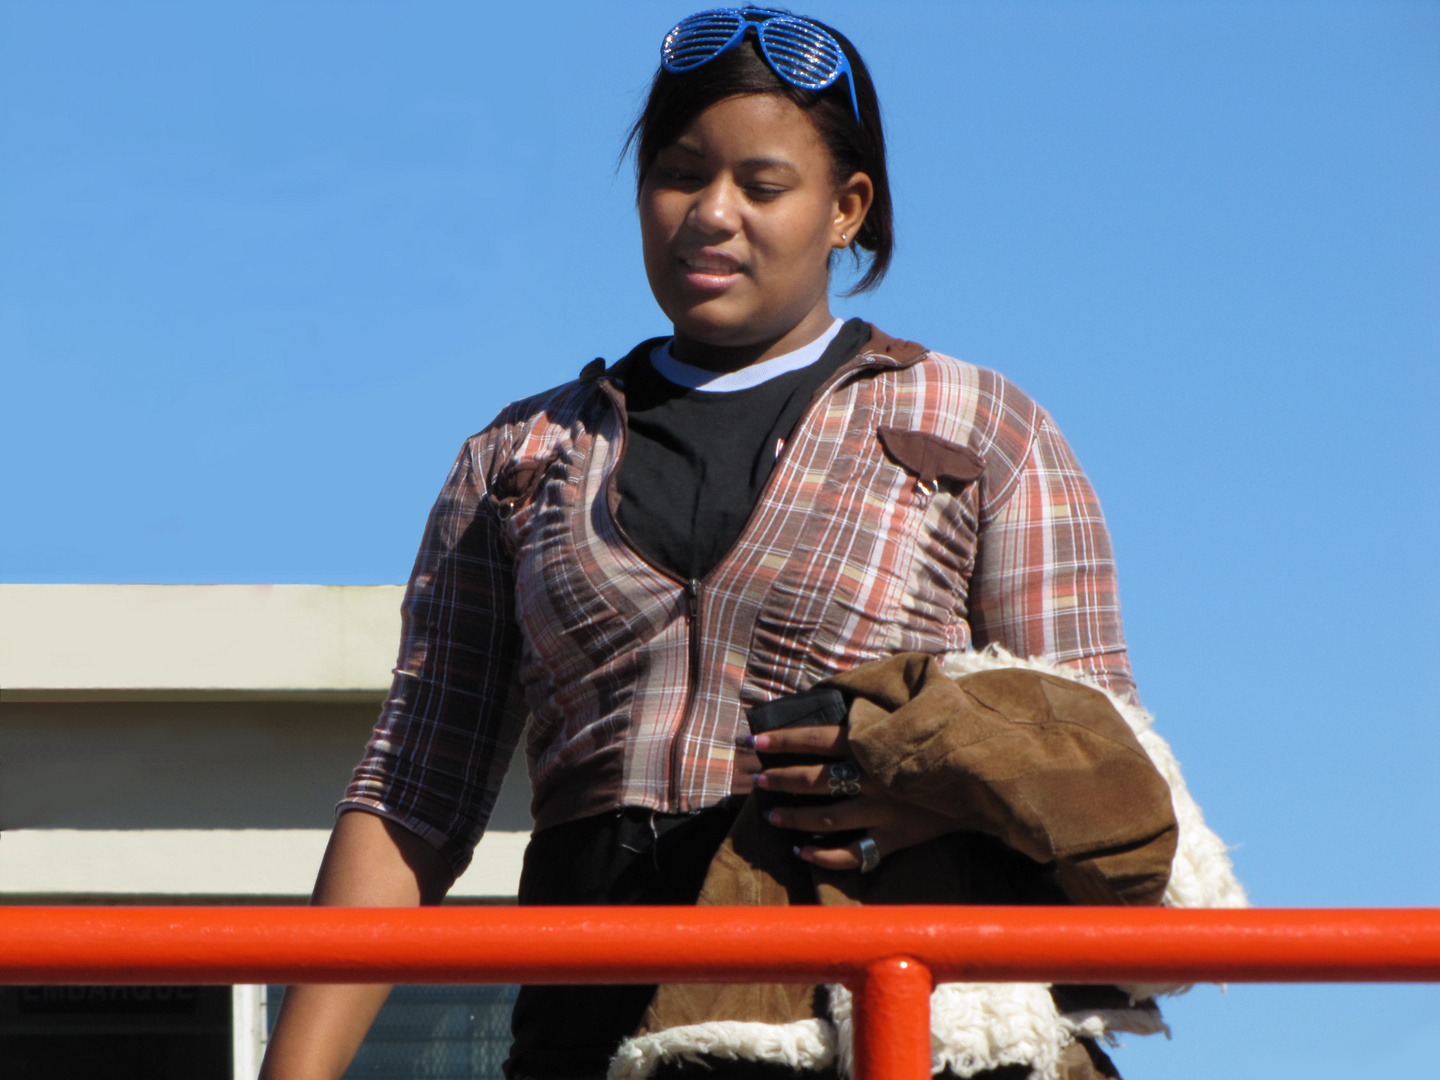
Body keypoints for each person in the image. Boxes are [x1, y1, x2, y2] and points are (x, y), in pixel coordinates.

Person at [260, 8, 1224, 1080]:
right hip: (589, 1031)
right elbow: (411, 799)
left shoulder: (981, 426)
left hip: (887, 1027)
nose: (711, 215)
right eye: (678, 175)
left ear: (847, 207)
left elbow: (1104, 762)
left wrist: (922, 798)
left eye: (762, 186)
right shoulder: (519, 453)